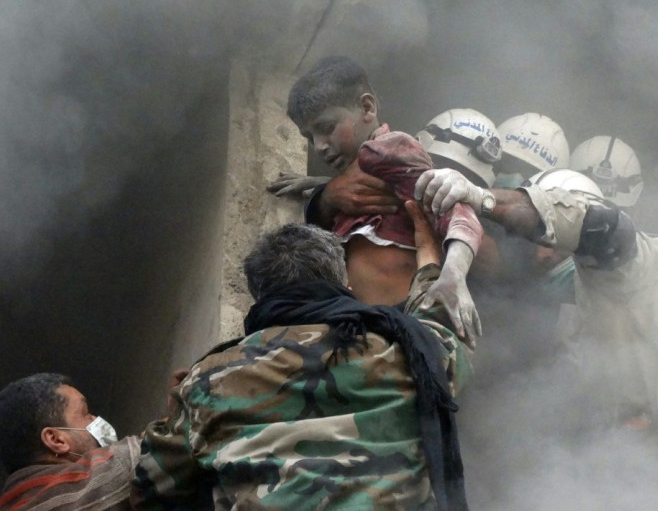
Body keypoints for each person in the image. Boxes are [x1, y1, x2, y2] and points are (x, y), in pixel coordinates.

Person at [414, 167, 658, 508]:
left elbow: (599, 225)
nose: (541, 252)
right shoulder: (595, 295)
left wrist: (482, 199)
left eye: (546, 237)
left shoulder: (630, 256)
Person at [133, 208, 473, 509]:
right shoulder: (405, 353)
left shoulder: (209, 381)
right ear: (344, 284)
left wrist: (180, 411)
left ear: (260, 297)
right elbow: (444, 325)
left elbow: (152, 489)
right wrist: (428, 251)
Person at [278, 57, 484, 340]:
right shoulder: (356, 177)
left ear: (367, 107)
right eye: (309, 137)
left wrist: (454, 276)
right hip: (366, 333)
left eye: (326, 128)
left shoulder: (392, 149)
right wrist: (322, 189)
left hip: (405, 330)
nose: (320, 146)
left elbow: (459, 213)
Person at [0, 373, 140, 510]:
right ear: (56, 440)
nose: (95, 419)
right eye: (85, 413)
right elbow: (143, 453)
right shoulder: (77, 490)